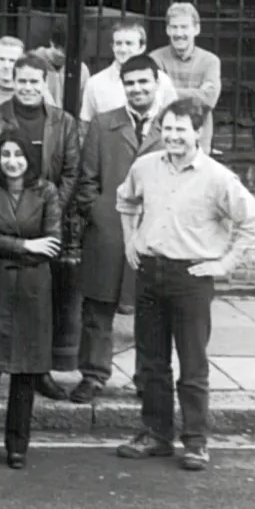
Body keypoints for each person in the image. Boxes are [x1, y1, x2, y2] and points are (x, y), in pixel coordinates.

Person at [115, 98, 255, 472]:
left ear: (198, 132)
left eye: (181, 129)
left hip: (192, 278)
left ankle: (196, 442)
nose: (172, 136)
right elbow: (125, 201)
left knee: (192, 364)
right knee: (151, 362)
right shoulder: (145, 167)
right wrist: (130, 241)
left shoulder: (218, 178)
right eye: (167, 128)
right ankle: (156, 435)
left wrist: (224, 264)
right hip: (150, 272)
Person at [0, 49, 83, 399]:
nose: (29, 87)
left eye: (35, 81)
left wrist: (46, 211)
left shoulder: (63, 122)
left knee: (40, 309)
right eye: (23, 81)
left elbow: (70, 172)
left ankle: (38, 371)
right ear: (13, 82)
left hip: (46, 223)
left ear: (44, 83)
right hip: (1, 218)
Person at [68, 53, 166, 404]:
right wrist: (98, 212)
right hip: (108, 231)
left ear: (157, 83)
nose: (137, 89)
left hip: (155, 233)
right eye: (130, 83)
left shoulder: (172, 126)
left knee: (151, 311)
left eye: (144, 82)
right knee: (97, 309)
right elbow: (87, 180)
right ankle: (93, 375)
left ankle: (147, 378)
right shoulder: (103, 124)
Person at [0, 131, 63, 468]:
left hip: (33, 289)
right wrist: (25, 245)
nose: (11, 161)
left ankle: (17, 445)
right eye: (5, 154)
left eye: (18, 155)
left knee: (26, 370)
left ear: (29, 159)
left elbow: (52, 242)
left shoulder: (46, 191)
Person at [151, 3, 221, 151]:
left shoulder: (210, 61)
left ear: (196, 29)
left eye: (184, 27)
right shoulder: (155, 59)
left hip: (199, 139)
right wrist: (197, 92)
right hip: (164, 138)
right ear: (167, 30)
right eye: (174, 27)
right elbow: (155, 97)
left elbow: (209, 98)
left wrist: (168, 90)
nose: (178, 33)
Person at [80, 19, 177, 123]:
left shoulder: (162, 81)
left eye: (129, 43)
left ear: (142, 47)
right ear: (112, 47)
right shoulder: (95, 84)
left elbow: (174, 117)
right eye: (118, 43)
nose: (123, 49)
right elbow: (86, 124)